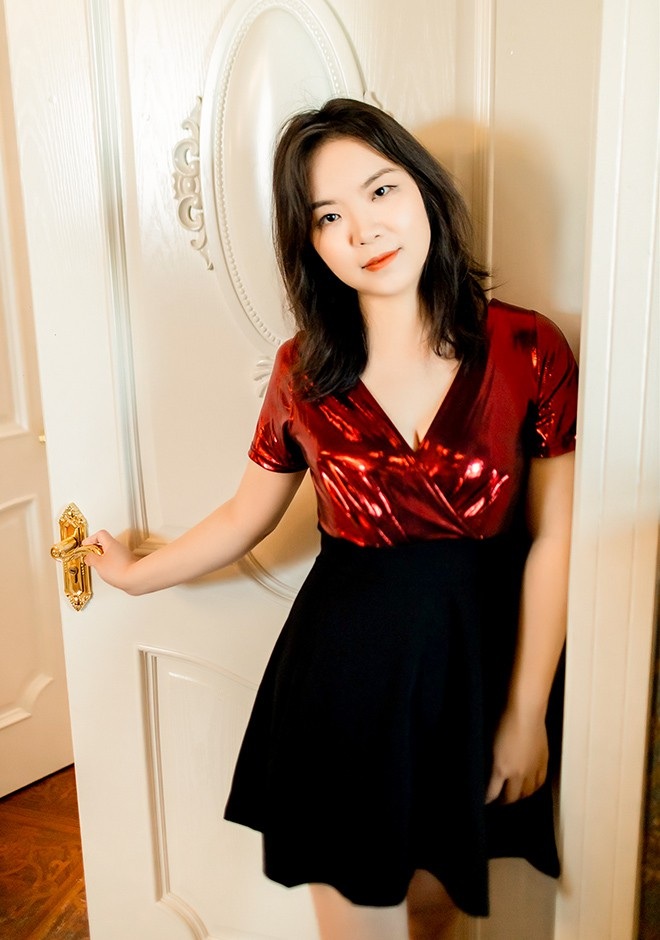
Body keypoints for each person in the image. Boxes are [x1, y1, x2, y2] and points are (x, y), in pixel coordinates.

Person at [84, 97, 578, 940]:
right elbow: (246, 515)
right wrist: (136, 575)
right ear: (310, 242)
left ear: (424, 190)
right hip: (343, 677)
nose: (363, 229)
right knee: (353, 920)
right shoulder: (303, 370)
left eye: (380, 191)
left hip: (477, 673)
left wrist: (526, 711)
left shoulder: (529, 348)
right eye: (328, 215)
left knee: (436, 907)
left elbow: (556, 537)